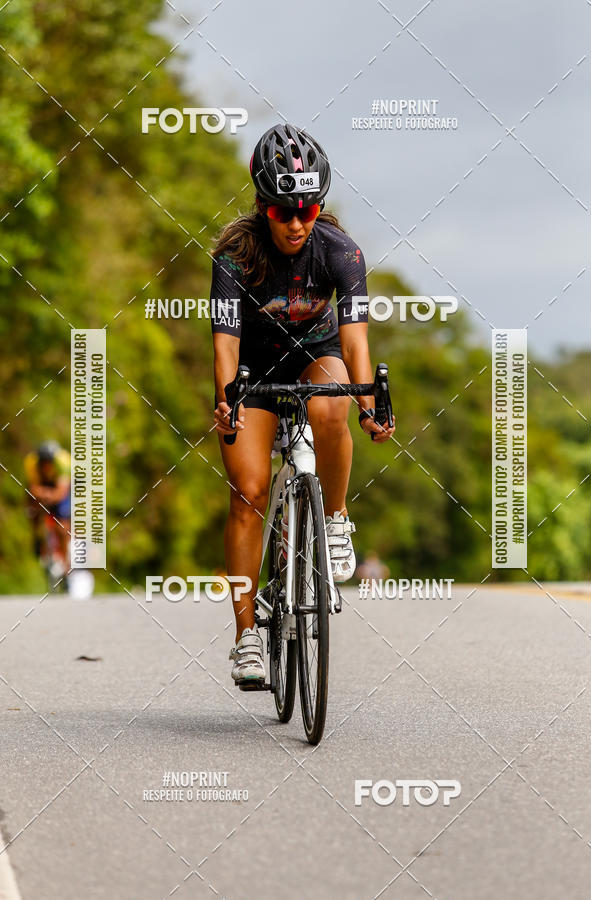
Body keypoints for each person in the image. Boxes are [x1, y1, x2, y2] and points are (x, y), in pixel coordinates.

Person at [210, 123, 395, 686]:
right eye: (282, 212)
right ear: (262, 205)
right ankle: (246, 638)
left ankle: (335, 518)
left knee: (334, 401)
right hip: (253, 373)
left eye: (308, 211)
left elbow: (357, 339)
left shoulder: (342, 252)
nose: (295, 224)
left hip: (317, 356)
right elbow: (225, 344)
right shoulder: (234, 256)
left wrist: (370, 404)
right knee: (249, 493)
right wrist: (228, 403)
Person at [24, 440, 71, 572]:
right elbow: (33, 488)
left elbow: (61, 492)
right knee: (31, 509)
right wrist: (39, 500)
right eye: (43, 463)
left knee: (61, 525)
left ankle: (66, 563)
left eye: (48, 463)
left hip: (62, 487)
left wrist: (47, 495)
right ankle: (38, 538)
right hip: (45, 485)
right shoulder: (31, 462)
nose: (46, 466)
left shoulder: (64, 461)